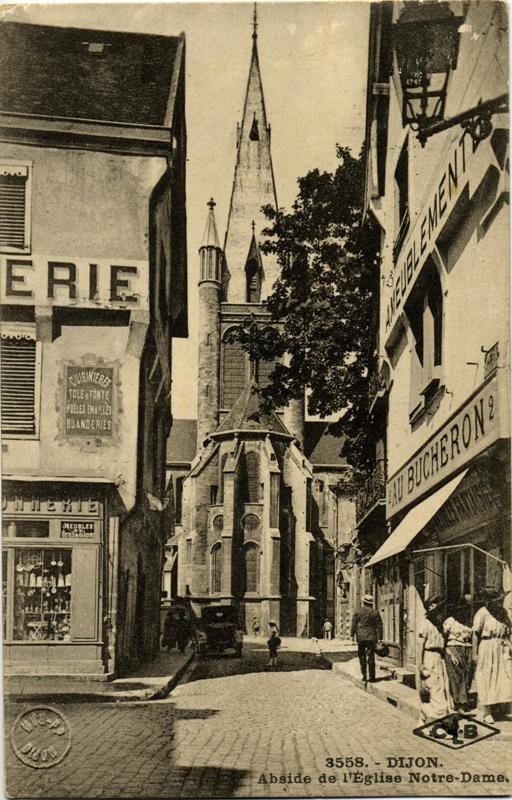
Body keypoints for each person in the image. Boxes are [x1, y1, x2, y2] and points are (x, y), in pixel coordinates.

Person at [472, 587, 512, 723]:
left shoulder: (503, 613)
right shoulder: (482, 613)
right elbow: (475, 634)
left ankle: (503, 710)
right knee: (486, 678)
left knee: (504, 678)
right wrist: (474, 653)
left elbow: (509, 632)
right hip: (487, 647)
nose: (498, 603)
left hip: (502, 648)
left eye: (499, 600)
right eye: (495, 600)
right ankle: (486, 712)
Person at [416, 595, 453, 723]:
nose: (440, 613)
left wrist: (448, 654)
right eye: (438, 610)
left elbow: (442, 644)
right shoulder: (424, 624)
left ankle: (423, 722)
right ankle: (437, 723)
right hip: (429, 658)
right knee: (434, 691)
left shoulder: (439, 625)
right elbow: (419, 646)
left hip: (439, 659)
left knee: (439, 689)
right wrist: (420, 666)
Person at [443, 602, 473, 712]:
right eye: (460, 609)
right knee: (456, 675)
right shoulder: (450, 621)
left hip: (467, 648)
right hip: (454, 647)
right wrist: (449, 653)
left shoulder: (468, 621)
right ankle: (457, 703)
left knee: (467, 675)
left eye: (465, 609)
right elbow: (443, 638)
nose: (462, 612)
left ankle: (463, 700)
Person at [350, 594, 383, 683]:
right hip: (372, 637)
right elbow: (379, 625)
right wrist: (380, 637)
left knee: (362, 656)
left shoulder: (358, 612)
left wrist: (352, 636)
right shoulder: (375, 612)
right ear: (371, 603)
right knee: (371, 656)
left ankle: (364, 676)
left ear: (363, 602)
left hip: (361, 637)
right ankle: (372, 677)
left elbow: (353, 624)